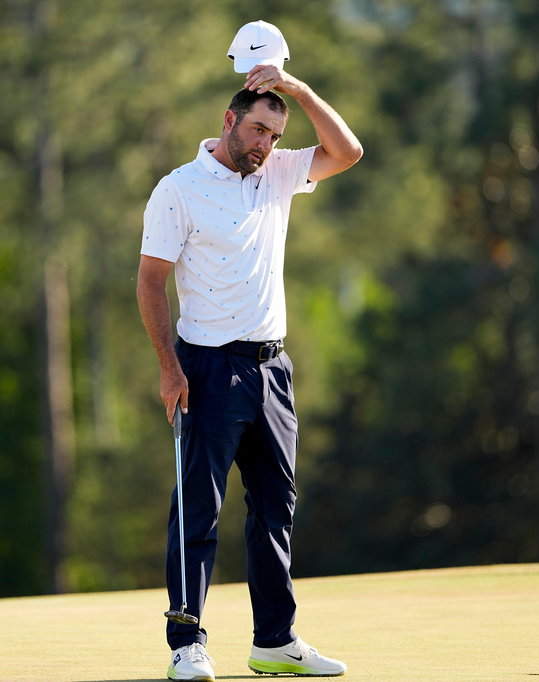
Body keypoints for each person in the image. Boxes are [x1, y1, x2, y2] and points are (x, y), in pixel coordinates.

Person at [136, 62, 362, 681]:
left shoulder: (280, 173)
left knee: (274, 509)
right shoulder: (178, 188)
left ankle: (275, 641)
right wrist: (169, 368)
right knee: (197, 511)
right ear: (230, 120)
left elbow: (348, 151)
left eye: (275, 134)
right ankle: (186, 644)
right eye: (258, 129)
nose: (266, 144)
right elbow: (151, 284)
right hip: (206, 369)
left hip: (273, 370)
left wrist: (299, 90)